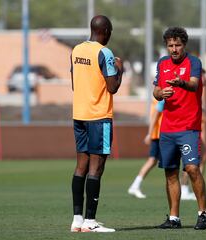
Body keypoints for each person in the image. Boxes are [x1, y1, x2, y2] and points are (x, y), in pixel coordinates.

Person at [69, 15, 123, 233]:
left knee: (80, 166)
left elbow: (74, 84)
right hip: (99, 116)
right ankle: (90, 222)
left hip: (79, 114)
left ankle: (77, 220)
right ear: (107, 31)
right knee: (96, 167)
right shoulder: (105, 52)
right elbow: (112, 87)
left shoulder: (76, 50)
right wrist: (121, 69)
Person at [153, 27, 206, 230]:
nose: (174, 49)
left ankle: (203, 213)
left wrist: (181, 83)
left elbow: (194, 85)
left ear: (184, 45)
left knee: (192, 169)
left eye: (177, 45)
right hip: (167, 128)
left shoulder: (194, 62)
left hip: (188, 126)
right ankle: (174, 218)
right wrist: (161, 93)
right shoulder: (162, 63)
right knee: (170, 173)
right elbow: (156, 90)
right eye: (170, 45)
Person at [180, 108, 206, 200]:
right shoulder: (189, 105)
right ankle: (184, 190)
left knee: (203, 160)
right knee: (189, 163)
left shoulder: (198, 106)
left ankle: (199, 190)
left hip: (200, 138)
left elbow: (204, 119)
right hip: (191, 136)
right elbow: (203, 119)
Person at [128, 99, 164, 199]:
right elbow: (155, 116)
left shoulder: (158, 96)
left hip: (160, 133)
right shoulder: (162, 96)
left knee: (153, 161)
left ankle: (135, 185)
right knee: (153, 160)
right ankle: (183, 189)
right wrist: (149, 133)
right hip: (160, 134)